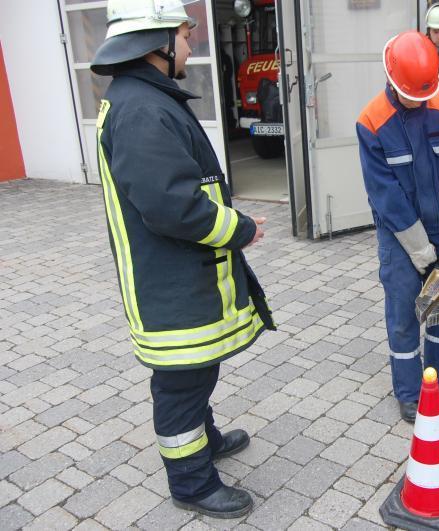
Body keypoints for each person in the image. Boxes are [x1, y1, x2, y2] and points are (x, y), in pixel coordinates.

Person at [90, 0, 275, 518]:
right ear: (157, 42)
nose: (193, 46)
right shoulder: (143, 108)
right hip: (168, 281)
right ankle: (192, 482)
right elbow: (174, 206)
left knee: (196, 370)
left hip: (177, 275)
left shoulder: (142, 97)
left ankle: (205, 439)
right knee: (180, 382)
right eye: (186, 35)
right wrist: (239, 229)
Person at [356, 31, 439, 423]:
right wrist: (420, 250)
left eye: (427, 93)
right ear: (393, 81)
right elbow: (384, 194)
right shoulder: (372, 122)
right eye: (413, 95)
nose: (421, 102)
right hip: (400, 236)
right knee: (404, 314)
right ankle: (409, 391)